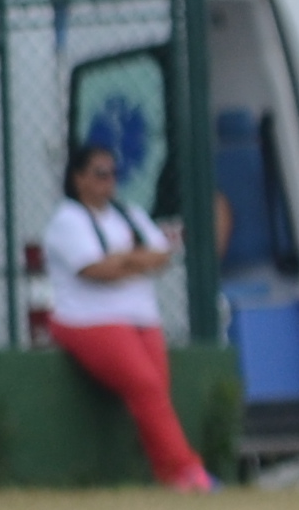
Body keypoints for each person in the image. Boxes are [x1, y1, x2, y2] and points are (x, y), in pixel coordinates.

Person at [33, 136, 216, 489]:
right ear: (78, 178)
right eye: (100, 174)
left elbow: (161, 256)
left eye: (113, 174)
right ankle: (187, 471)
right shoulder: (67, 220)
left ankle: (168, 476)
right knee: (146, 386)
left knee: (156, 390)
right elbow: (95, 270)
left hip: (141, 319)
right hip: (89, 321)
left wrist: (125, 260)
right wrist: (134, 258)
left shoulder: (128, 213)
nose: (109, 181)